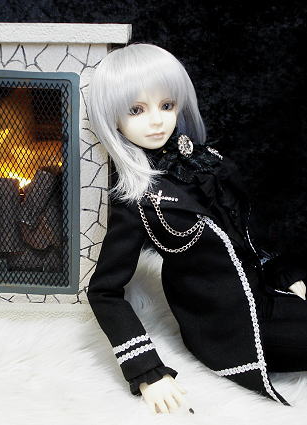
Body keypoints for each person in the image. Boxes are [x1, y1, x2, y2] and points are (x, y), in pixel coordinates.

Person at [85, 42, 307, 414]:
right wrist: (147, 370)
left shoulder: (205, 164)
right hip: (225, 328)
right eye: (136, 110)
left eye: (166, 105)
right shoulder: (136, 201)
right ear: (113, 119)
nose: (157, 121)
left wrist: (282, 272)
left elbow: (247, 229)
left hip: (266, 297)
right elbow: (104, 291)